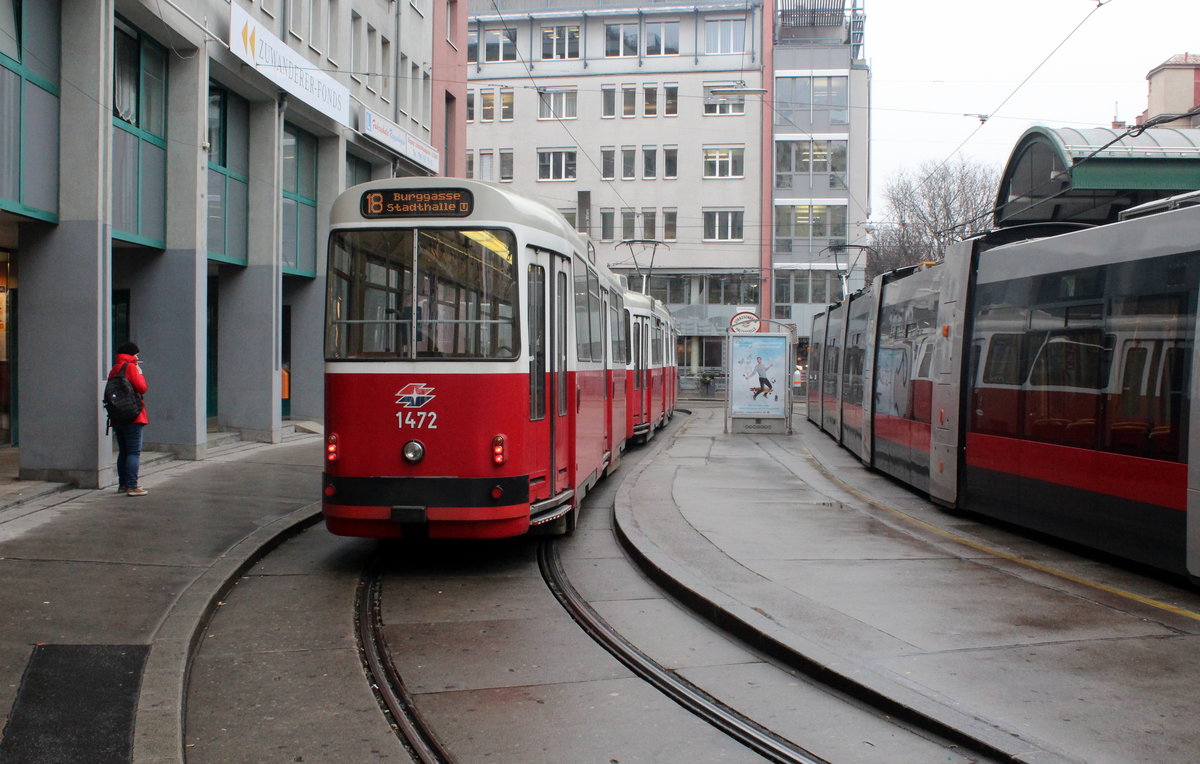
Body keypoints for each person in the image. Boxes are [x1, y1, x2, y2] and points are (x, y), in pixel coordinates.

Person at [108, 341, 149, 496]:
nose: (138, 358)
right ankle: (132, 486)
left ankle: (123, 485)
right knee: (133, 452)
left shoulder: (115, 368)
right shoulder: (131, 367)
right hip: (133, 415)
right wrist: (139, 372)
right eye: (137, 355)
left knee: (123, 451)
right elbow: (142, 388)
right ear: (132, 354)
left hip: (118, 415)